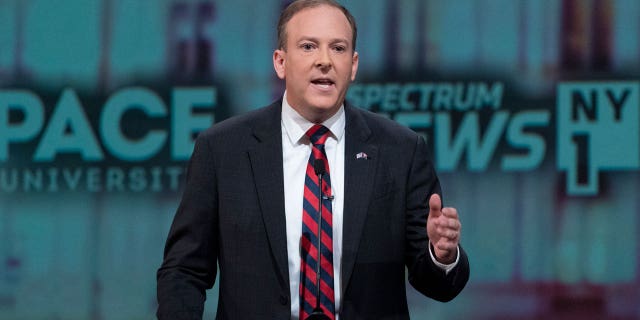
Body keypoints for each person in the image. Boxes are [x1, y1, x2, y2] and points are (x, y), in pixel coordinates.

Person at [156, 0, 469, 319]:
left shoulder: (401, 150)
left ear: (354, 64)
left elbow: (439, 286)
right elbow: (183, 271)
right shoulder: (223, 149)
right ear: (280, 62)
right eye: (308, 46)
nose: (324, 61)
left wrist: (441, 255)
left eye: (338, 48)